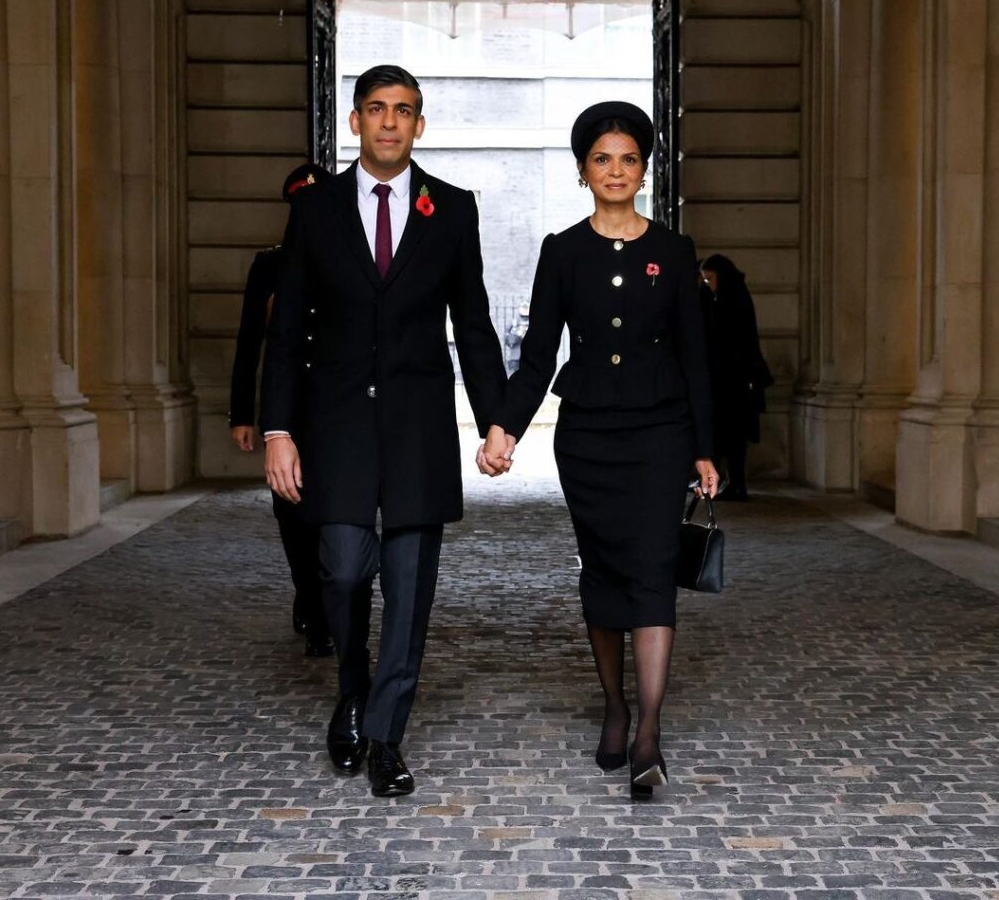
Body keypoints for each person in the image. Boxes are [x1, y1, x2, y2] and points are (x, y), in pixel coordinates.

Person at [260, 65, 506, 798]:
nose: (390, 122)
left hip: (417, 427)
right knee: (340, 567)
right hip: (332, 425)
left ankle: (386, 736)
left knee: (409, 588)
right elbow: (288, 328)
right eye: (377, 109)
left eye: (404, 111)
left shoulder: (452, 210)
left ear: (419, 125)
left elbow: (473, 321)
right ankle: (355, 687)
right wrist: (277, 428)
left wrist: (497, 418)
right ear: (356, 122)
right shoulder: (316, 210)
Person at [479, 101, 720, 801]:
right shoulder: (563, 250)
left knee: (651, 570)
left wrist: (705, 449)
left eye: (629, 159)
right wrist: (504, 426)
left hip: (660, 435)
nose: (616, 171)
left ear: (644, 169)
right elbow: (536, 358)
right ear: (584, 170)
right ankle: (614, 706)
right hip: (587, 440)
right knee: (605, 571)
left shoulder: (673, 252)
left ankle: (648, 730)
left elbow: (696, 359)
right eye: (602, 159)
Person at [229, 162, 334, 659]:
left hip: (336, 404)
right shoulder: (269, 265)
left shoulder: (343, 257)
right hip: (287, 406)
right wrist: (241, 415)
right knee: (292, 514)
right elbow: (250, 341)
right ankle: (311, 603)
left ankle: (330, 604)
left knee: (334, 512)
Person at [698, 254, 774, 501]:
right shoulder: (723, 297)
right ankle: (728, 481)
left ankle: (735, 482)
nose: (707, 283)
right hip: (726, 381)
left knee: (732, 438)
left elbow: (737, 341)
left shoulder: (733, 298)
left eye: (709, 278)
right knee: (726, 436)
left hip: (733, 382)